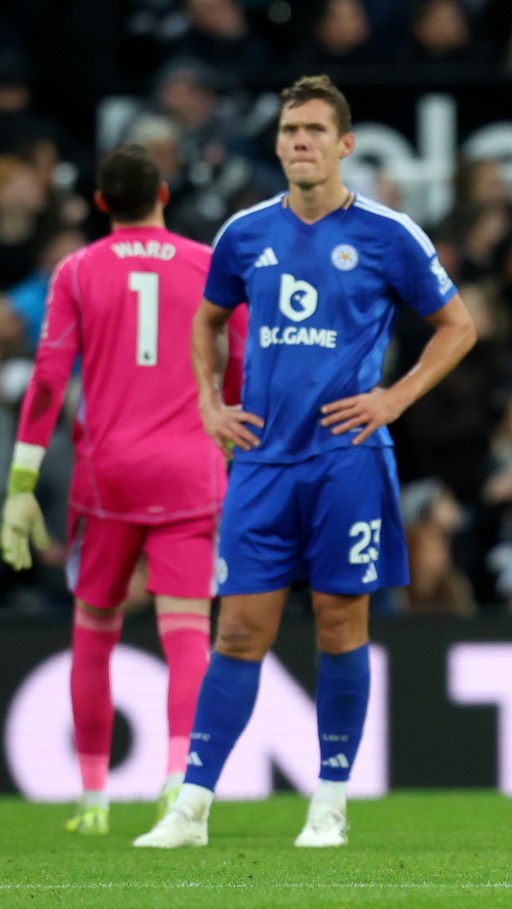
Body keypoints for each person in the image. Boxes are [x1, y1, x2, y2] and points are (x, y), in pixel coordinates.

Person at [134, 74, 476, 849]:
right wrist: (208, 405)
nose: (299, 142)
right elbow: (208, 319)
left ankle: (329, 799)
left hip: (347, 460)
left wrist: (393, 397)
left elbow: (457, 326)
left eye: (315, 131)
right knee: (238, 632)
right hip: (262, 461)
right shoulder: (245, 232)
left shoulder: (389, 233)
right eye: (290, 130)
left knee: (338, 622)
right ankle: (191, 806)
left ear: (343, 144)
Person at [0, 143, 246, 834]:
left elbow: (48, 378)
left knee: (94, 631)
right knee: (188, 632)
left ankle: (93, 797)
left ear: (101, 203)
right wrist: (227, 420)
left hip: (105, 476)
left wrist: (21, 484)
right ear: (163, 194)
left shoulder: (75, 270)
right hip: (188, 467)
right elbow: (242, 353)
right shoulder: (206, 264)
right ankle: (177, 778)